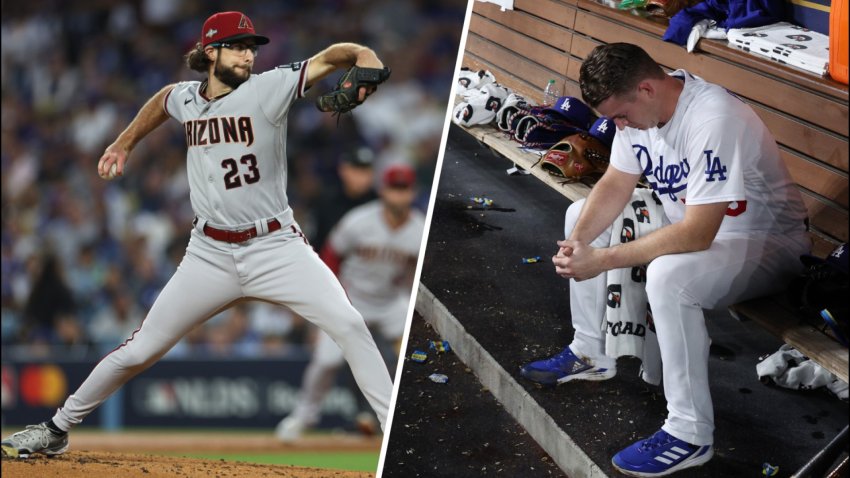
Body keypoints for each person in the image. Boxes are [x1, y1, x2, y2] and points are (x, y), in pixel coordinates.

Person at [1, 11, 393, 459]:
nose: (249, 54)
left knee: (349, 324)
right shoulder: (187, 97)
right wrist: (124, 142)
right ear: (210, 52)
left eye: (251, 47)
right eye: (238, 46)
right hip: (208, 253)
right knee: (138, 350)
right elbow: (165, 98)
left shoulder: (269, 88)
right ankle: (57, 428)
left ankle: (392, 428)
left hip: (275, 246)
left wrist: (365, 58)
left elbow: (335, 55)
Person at [519, 43, 809, 477]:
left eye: (620, 115)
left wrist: (602, 259)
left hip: (765, 243)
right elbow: (617, 182)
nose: (617, 125)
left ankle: (690, 434)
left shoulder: (712, 118)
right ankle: (590, 352)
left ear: (647, 89)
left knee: (670, 276)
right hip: (701, 227)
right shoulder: (638, 111)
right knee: (580, 215)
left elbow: (697, 234)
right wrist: (578, 244)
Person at [276, 163, 424, 441]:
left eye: (403, 189)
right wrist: (329, 297)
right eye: (394, 188)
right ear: (383, 190)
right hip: (351, 298)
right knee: (325, 361)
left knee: (414, 354)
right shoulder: (359, 220)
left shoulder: (419, 229)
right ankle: (302, 417)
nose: (398, 196)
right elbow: (330, 256)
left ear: (413, 192)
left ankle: (401, 421)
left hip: (391, 302)